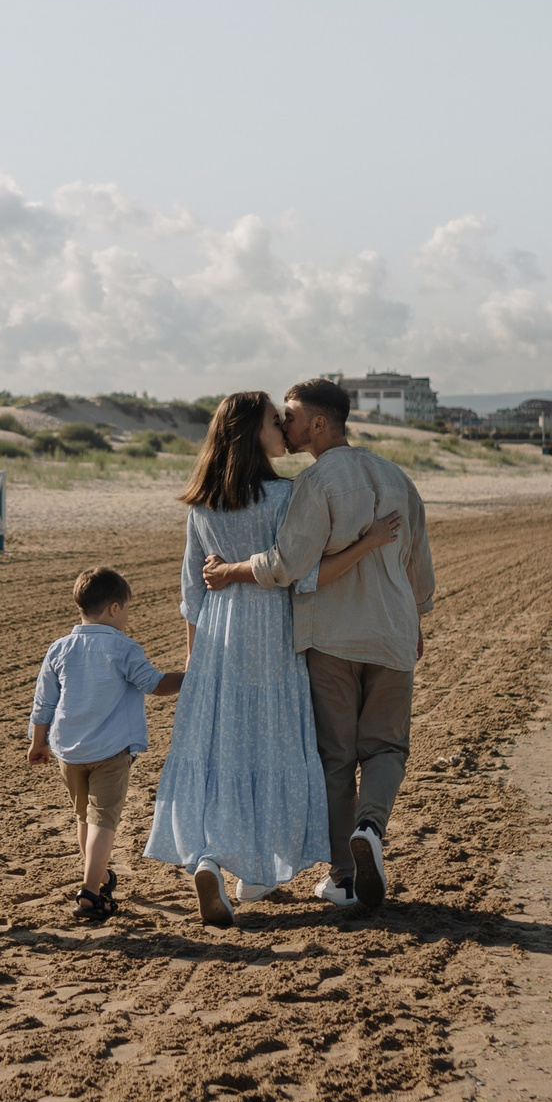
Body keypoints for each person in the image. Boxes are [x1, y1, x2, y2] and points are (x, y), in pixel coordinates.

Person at [147, 391, 402, 927]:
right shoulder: (286, 496)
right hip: (275, 641)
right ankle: (251, 869)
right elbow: (306, 574)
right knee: (272, 750)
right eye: (273, 421)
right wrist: (371, 542)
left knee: (227, 755)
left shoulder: (202, 502)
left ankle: (221, 861)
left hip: (218, 642)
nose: (283, 428)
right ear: (251, 434)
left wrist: (197, 665)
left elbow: (192, 590)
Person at [202, 376, 432, 911]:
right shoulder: (398, 477)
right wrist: (415, 616)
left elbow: (288, 566)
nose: (284, 422)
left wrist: (232, 571)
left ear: (319, 423)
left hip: (331, 638)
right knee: (387, 747)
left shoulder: (317, 483)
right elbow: (420, 566)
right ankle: (371, 829)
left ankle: (345, 877)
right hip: (394, 634)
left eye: (291, 413)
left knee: (334, 758)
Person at [26, 566, 185, 924]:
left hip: (68, 750)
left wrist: (39, 742)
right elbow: (155, 685)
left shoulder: (60, 648)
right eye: (127, 608)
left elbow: (43, 702)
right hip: (110, 751)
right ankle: (90, 892)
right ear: (114, 608)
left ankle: (98, 877)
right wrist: (194, 678)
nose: (127, 616)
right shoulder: (123, 648)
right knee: (103, 821)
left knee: (84, 817)